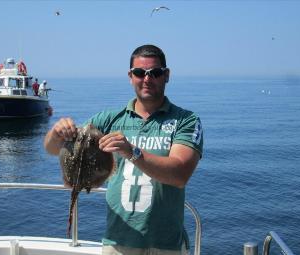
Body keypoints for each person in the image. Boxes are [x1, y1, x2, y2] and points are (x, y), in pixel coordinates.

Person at [44, 44, 203, 255]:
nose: (147, 79)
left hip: (166, 244)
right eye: (139, 73)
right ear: (130, 76)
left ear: (166, 75)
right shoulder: (109, 119)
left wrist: (132, 152)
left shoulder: (186, 120)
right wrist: (57, 133)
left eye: (155, 73)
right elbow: (53, 148)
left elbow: (180, 174)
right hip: (118, 241)